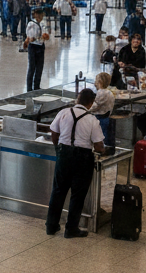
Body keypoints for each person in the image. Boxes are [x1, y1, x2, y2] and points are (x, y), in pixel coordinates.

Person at [45, 88, 105, 239]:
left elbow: (54, 132)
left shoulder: (64, 113)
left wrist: (58, 149)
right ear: (91, 104)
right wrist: (102, 150)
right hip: (83, 158)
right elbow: (98, 146)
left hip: (64, 154)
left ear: (78, 100)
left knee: (58, 190)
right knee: (77, 194)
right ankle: (71, 229)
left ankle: (51, 226)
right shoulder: (92, 120)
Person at [24, 8, 46, 91]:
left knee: (39, 67)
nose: (40, 17)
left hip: (41, 46)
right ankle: (29, 88)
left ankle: (37, 86)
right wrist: (30, 38)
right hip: (33, 47)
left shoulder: (43, 24)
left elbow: (46, 33)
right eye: (38, 15)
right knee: (32, 67)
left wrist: (45, 36)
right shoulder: (31, 24)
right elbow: (29, 35)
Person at [92, 72, 115, 148]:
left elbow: (95, 105)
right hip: (107, 116)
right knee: (105, 135)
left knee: (100, 136)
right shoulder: (109, 92)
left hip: (100, 117)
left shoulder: (101, 92)